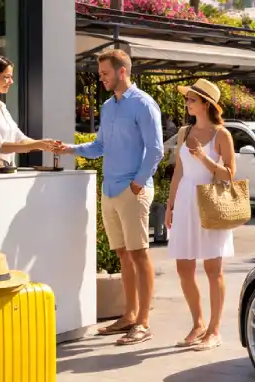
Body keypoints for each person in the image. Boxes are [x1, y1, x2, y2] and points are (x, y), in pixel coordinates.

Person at [58, 49, 163, 345]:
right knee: (123, 255)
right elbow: (99, 146)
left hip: (133, 190)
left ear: (122, 72)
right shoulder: (108, 107)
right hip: (110, 190)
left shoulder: (144, 104)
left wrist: (138, 184)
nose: (100, 77)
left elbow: (155, 149)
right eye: (100, 72)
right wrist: (69, 149)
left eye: (105, 73)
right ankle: (129, 316)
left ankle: (143, 322)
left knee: (140, 254)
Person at [164, 79, 236, 351]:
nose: (187, 103)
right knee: (184, 268)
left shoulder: (222, 135)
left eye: (192, 99)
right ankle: (198, 323)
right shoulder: (185, 131)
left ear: (206, 103)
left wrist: (204, 159)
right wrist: (169, 206)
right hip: (184, 202)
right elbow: (179, 172)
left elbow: (230, 174)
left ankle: (215, 330)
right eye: (188, 99)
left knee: (212, 269)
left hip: (210, 202)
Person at [0, 55, 61, 174]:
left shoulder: (1, 106)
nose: (11, 81)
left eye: (11, 77)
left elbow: (20, 139)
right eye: (6, 77)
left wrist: (45, 144)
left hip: (4, 174)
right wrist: (38, 144)